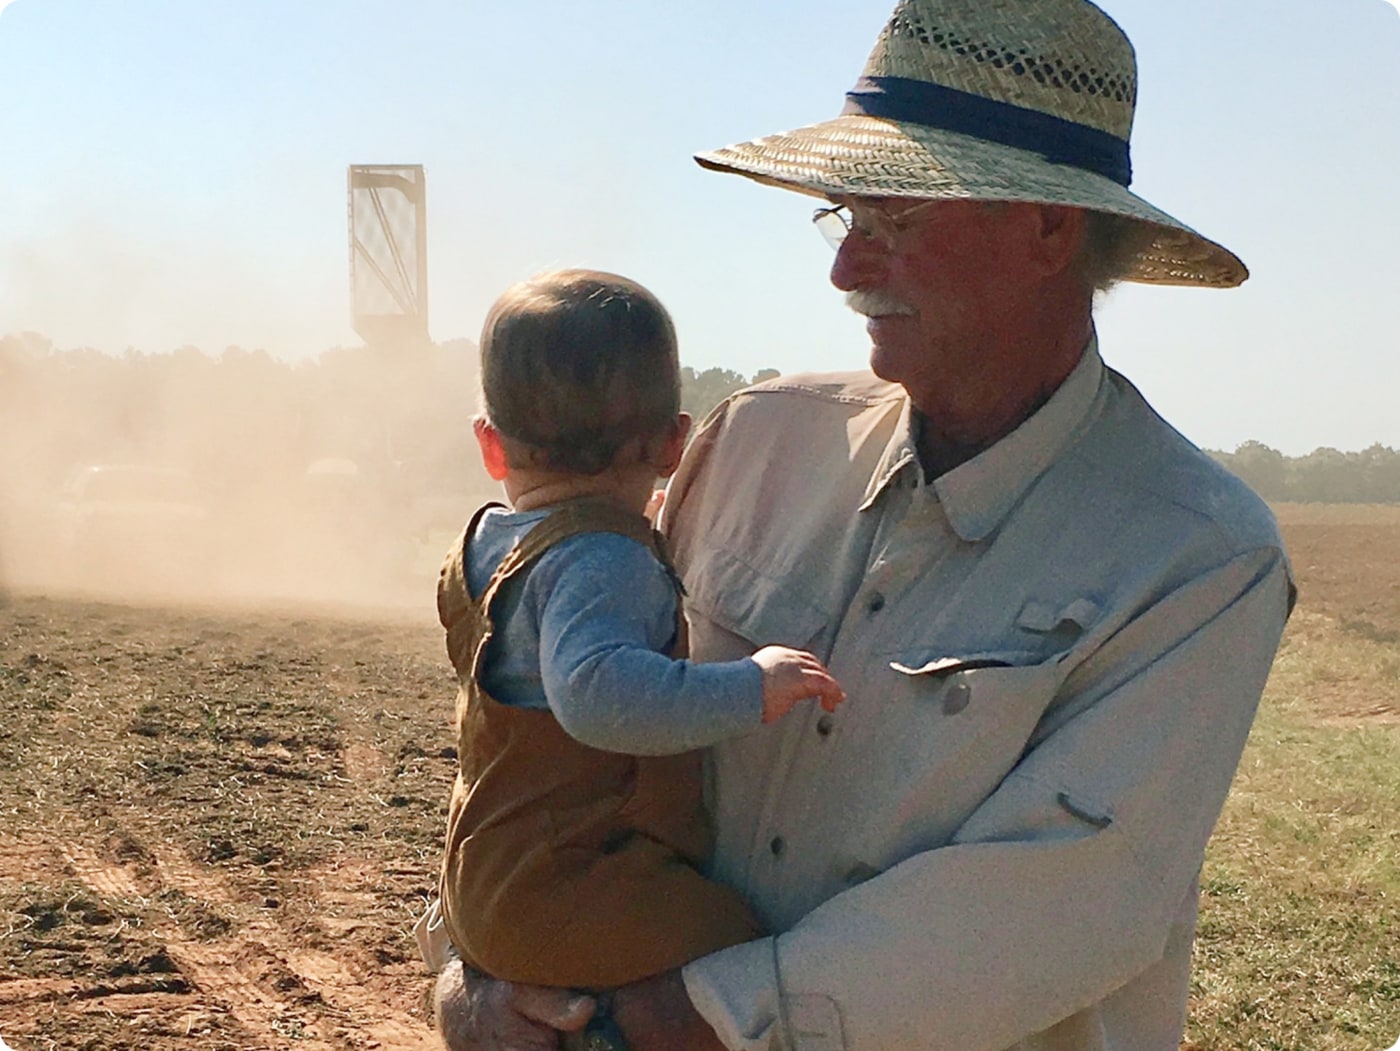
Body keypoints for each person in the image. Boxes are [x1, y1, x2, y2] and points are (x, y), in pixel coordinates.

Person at [433, 1, 1295, 1048]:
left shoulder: (1196, 558)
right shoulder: (751, 439)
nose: (843, 270)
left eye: (891, 221)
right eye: (842, 218)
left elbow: (1050, 908)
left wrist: (662, 1024)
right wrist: (475, 973)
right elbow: (542, 736)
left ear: (1046, 227)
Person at [432, 269, 845, 1046]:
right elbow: (596, 696)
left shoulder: (490, 545)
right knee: (742, 942)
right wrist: (749, 686)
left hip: (480, 876)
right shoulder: (603, 561)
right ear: (672, 443)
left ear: (491, 445)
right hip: (568, 885)